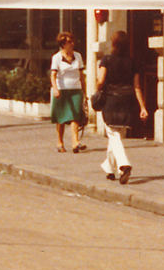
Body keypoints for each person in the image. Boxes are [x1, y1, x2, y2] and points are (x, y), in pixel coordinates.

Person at [97, 31, 149, 184]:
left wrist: (96, 90)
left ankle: (124, 165)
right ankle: (109, 168)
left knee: (113, 135)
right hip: (127, 101)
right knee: (115, 134)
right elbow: (137, 86)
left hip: (111, 101)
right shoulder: (133, 62)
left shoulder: (106, 60)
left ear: (113, 44)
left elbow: (101, 81)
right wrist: (142, 107)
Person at [50, 32, 86, 152]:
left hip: (75, 89)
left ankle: (75, 143)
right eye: (69, 42)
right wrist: (55, 88)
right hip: (61, 90)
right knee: (61, 118)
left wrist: (84, 92)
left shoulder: (78, 56)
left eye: (72, 41)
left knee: (75, 116)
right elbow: (53, 75)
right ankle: (60, 142)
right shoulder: (57, 57)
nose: (72, 44)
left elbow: (81, 75)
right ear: (63, 44)